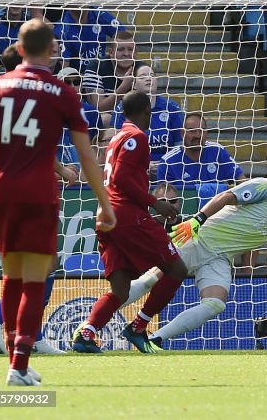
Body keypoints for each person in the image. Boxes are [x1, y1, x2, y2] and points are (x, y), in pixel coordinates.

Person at [0, 19, 115, 385]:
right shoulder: (62, 93)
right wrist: (105, 203)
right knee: (35, 279)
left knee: (12, 277)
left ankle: (15, 359)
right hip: (38, 194)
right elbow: (86, 157)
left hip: (0, 194)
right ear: (51, 50)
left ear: (18, 46)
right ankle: (18, 364)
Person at [124, 159, 267, 349]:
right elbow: (226, 197)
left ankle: (155, 339)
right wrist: (197, 220)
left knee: (215, 303)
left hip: (221, 257)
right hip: (203, 239)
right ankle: (94, 322)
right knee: (152, 279)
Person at [70, 92, 189, 354]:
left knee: (120, 289)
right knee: (177, 269)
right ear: (146, 110)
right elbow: (122, 178)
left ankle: (87, 333)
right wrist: (154, 202)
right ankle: (138, 327)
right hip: (127, 215)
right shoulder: (137, 137)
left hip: (105, 216)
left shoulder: (117, 137)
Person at [110, 64, 184, 165]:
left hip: (167, 166)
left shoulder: (171, 108)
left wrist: (165, 164)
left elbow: (179, 145)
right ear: (134, 84)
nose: (149, 78)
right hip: (134, 165)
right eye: (142, 76)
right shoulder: (123, 108)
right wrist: (144, 164)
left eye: (152, 75)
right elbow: (117, 145)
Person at [157, 113, 246, 187]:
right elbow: (166, 198)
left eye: (201, 131)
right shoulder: (168, 162)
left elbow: (241, 181)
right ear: (182, 133)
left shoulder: (218, 151)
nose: (197, 135)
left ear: (206, 133)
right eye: (192, 131)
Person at [81, 30, 143, 113]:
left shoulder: (142, 69)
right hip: (105, 121)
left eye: (130, 49)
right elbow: (97, 109)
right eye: (120, 49)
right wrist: (124, 87)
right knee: (105, 118)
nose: (126, 53)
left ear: (136, 52)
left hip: (134, 118)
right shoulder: (96, 66)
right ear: (111, 52)